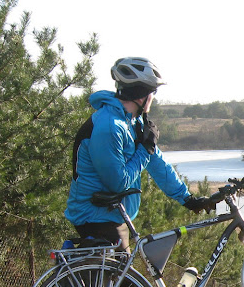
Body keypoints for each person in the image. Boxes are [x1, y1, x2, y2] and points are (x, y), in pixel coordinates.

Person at [65, 56, 215, 249]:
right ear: (142, 96)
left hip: (111, 214)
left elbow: (157, 163)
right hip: (93, 216)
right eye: (152, 93)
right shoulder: (109, 127)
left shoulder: (131, 123)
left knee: (126, 278)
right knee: (125, 278)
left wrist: (187, 199)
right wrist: (145, 149)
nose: (153, 98)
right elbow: (118, 183)